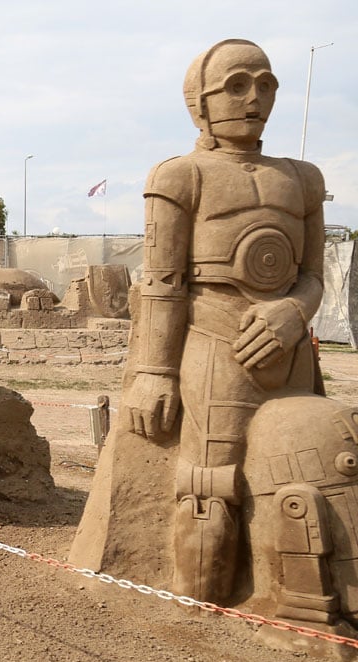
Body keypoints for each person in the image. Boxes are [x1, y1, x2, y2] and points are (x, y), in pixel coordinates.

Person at [122, 39, 327, 601]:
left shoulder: (303, 178)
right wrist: (155, 373)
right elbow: (164, 283)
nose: (253, 97)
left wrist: (293, 311)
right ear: (201, 100)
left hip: (288, 348)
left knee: (303, 472)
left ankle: (295, 598)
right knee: (212, 485)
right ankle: (204, 603)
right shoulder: (180, 176)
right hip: (215, 343)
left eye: (265, 85)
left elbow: (312, 275)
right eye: (236, 84)